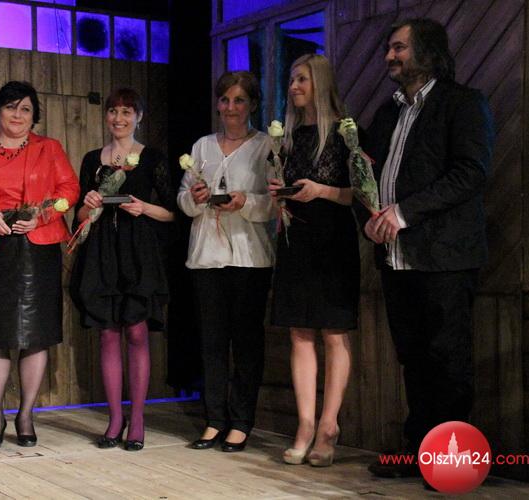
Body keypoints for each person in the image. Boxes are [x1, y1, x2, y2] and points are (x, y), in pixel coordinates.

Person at [355, 19, 494, 478]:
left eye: (399, 47)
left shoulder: (463, 103)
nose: (390, 56)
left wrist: (404, 213)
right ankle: (418, 453)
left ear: (428, 51)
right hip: (395, 259)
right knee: (412, 359)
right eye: (389, 48)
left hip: (445, 256)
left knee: (448, 361)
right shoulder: (387, 112)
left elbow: (471, 172)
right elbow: (365, 175)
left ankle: (451, 465)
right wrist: (369, 218)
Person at [0, 81, 79, 450]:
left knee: (34, 336)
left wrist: (41, 216)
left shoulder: (49, 148)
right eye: (10, 107)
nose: (17, 115)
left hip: (38, 250)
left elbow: (69, 190)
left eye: (25, 109)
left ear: (34, 115)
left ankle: (25, 414)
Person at [70, 88, 176, 451]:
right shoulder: (91, 160)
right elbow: (79, 217)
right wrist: (89, 204)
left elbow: (172, 213)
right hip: (101, 253)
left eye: (127, 112)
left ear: (139, 117)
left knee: (136, 332)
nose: (119, 118)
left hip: (138, 253)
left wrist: (143, 207)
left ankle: (139, 418)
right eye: (113, 111)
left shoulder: (152, 158)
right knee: (108, 334)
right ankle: (115, 418)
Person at [267, 54, 359, 467]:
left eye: (301, 79)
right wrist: (278, 193)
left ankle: (328, 425)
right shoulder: (286, 138)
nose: (293, 87)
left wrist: (320, 190)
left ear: (320, 82)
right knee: (299, 333)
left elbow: (361, 194)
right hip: (296, 240)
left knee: (334, 333)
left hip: (333, 240)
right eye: (291, 79)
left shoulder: (346, 132)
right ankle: (304, 424)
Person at [177, 71, 275, 452]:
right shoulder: (202, 146)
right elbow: (183, 199)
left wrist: (245, 201)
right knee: (212, 343)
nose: (231, 107)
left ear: (252, 105)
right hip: (207, 257)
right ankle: (214, 419)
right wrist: (196, 197)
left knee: (247, 344)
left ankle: (242, 421)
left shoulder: (265, 146)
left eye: (239, 100)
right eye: (225, 100)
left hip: (249, 258)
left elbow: (273, 204)